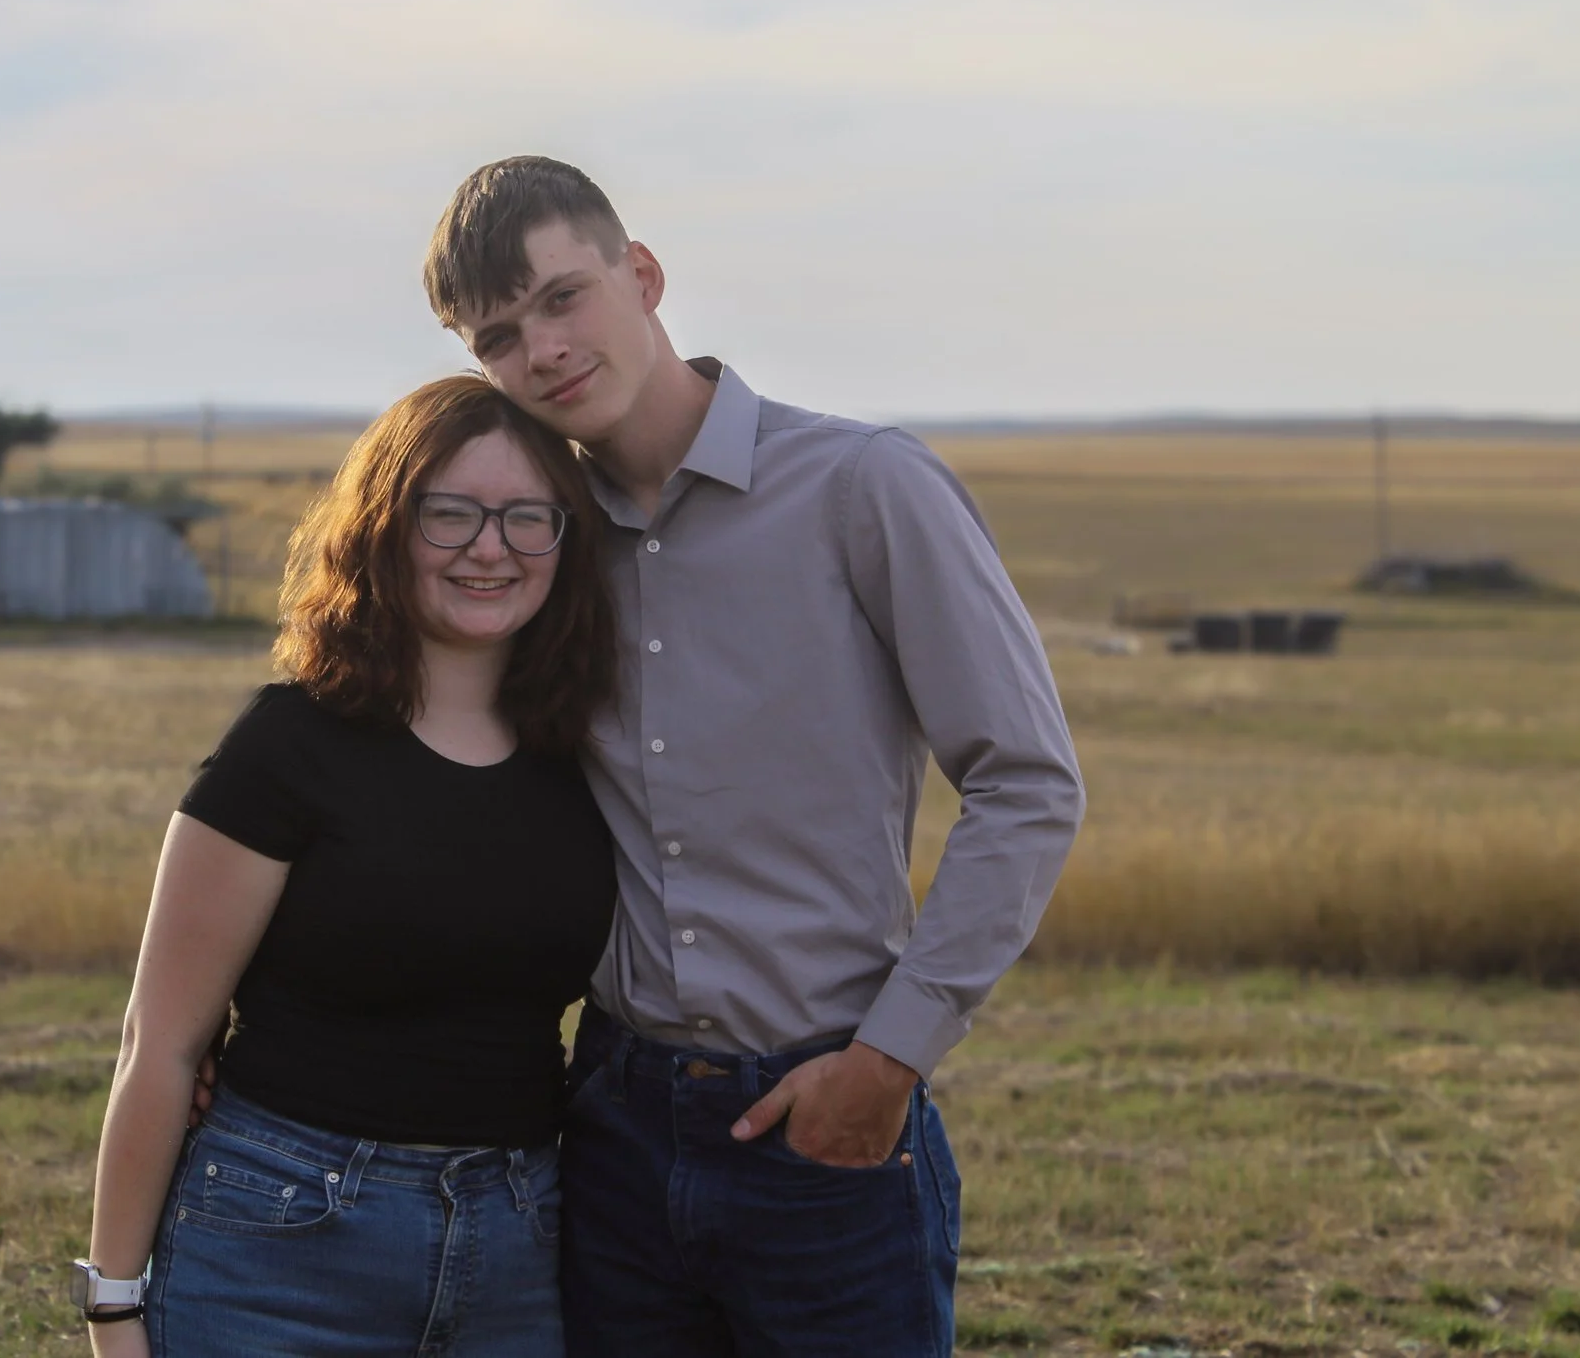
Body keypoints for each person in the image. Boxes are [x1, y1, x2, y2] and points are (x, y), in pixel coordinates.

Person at [421, 156, 1088, 1358]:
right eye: (499, 336)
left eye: (563, 297)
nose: (543, 351)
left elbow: (1026, 782)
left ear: (643, 274)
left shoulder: (863, 485)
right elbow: (430, 778)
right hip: (610, 1121)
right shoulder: (537, 544)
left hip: (826, 1112)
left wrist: (888, 1059)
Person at [76, 374, 621, 1357]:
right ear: (384, 525)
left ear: (564, 539)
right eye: (447, 513)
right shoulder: (288, 743)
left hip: (517, 1243)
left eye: (525, 516)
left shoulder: (586, 754)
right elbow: (157, 1042)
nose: (489, 546)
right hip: (278, 1240)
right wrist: (114, 1304)